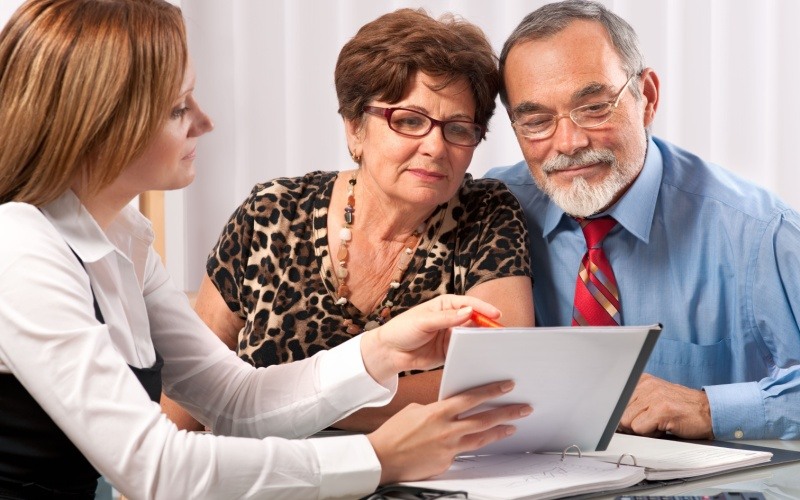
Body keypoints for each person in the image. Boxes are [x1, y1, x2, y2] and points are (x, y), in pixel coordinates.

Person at [0, 1, 533, 498]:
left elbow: (235, 400)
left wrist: (383, 349)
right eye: (177, 108)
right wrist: (375, 458)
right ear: (101, 124)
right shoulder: (20, 246)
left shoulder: (125, 239)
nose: (204, 122)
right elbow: (153, 468)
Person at [164, 8, 535, 433]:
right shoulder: (272, 213)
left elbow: (501, 379)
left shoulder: (487, 212)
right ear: (355, 128)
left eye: (458, 128)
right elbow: (189, 395)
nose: (435, 146)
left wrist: (274, 407)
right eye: (409, 120)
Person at [487, 0, 800, 441]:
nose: (569, 142)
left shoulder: (756, 232)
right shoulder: (493, 215)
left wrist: (711, 407)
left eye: (594, 108)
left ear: (647, 97)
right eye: (537, 121)